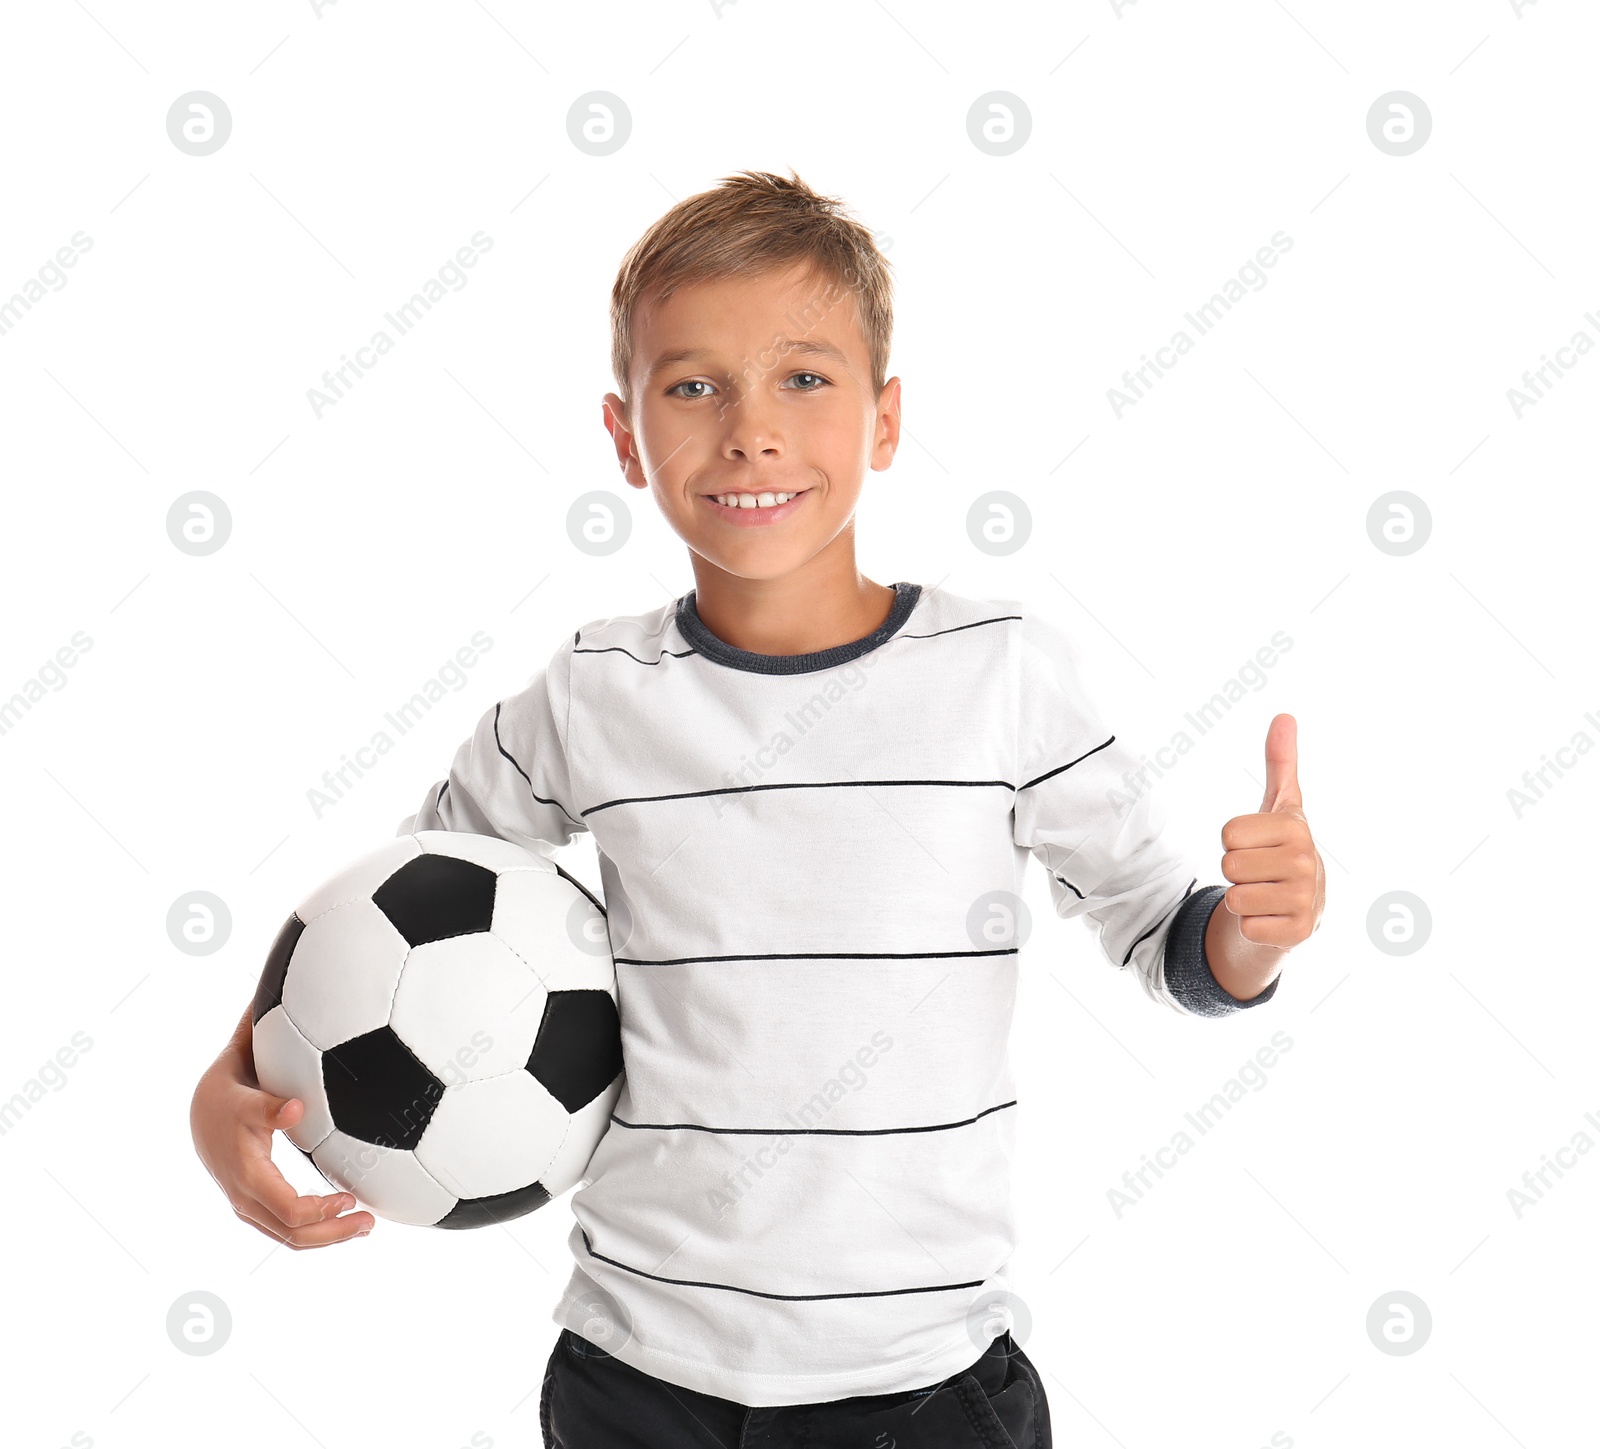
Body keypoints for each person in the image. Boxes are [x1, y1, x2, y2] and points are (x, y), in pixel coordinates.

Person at [192, 169, 1325, 1447]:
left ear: (885, 419)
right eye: (691, 386)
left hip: (925, 1384)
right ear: (624, 437)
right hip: (639, 1379)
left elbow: (1159, 926)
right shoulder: (588, 693)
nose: (750, 432)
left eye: (803, 378)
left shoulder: (1000, 672)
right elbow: (383, 929)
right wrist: (227, 1084)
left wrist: (1250, 934)